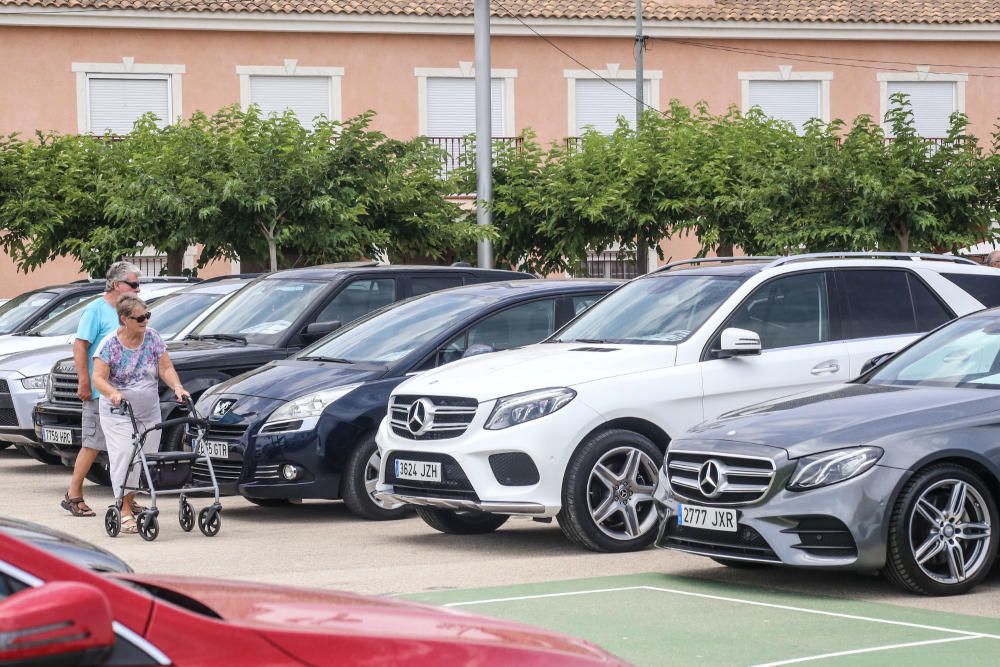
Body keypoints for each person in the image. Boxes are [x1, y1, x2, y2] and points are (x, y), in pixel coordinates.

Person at [92, 294, 189, 534]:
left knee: (144, 459)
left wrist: (176, 386)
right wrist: (113, 393)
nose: (145, 321)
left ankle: (129, 501)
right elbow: (98, 378)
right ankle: (123, 510)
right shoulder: (110, 344)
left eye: (147, 316)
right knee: (125, 455)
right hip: (119, 412)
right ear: (124, 320)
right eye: (140, 318)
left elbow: (165, 367)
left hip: (148, 411)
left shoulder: (153, 337)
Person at [61, 261, 141, 517]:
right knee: (93, 443)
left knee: (128, 446)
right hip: (100, 391)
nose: (138, 289)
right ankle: (73, 495)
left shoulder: (129, 311)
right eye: (133, 284)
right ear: (117, 285)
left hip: (125, 393)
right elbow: (80, 346)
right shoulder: (96, 310)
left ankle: (127, 498)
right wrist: (84, 381)